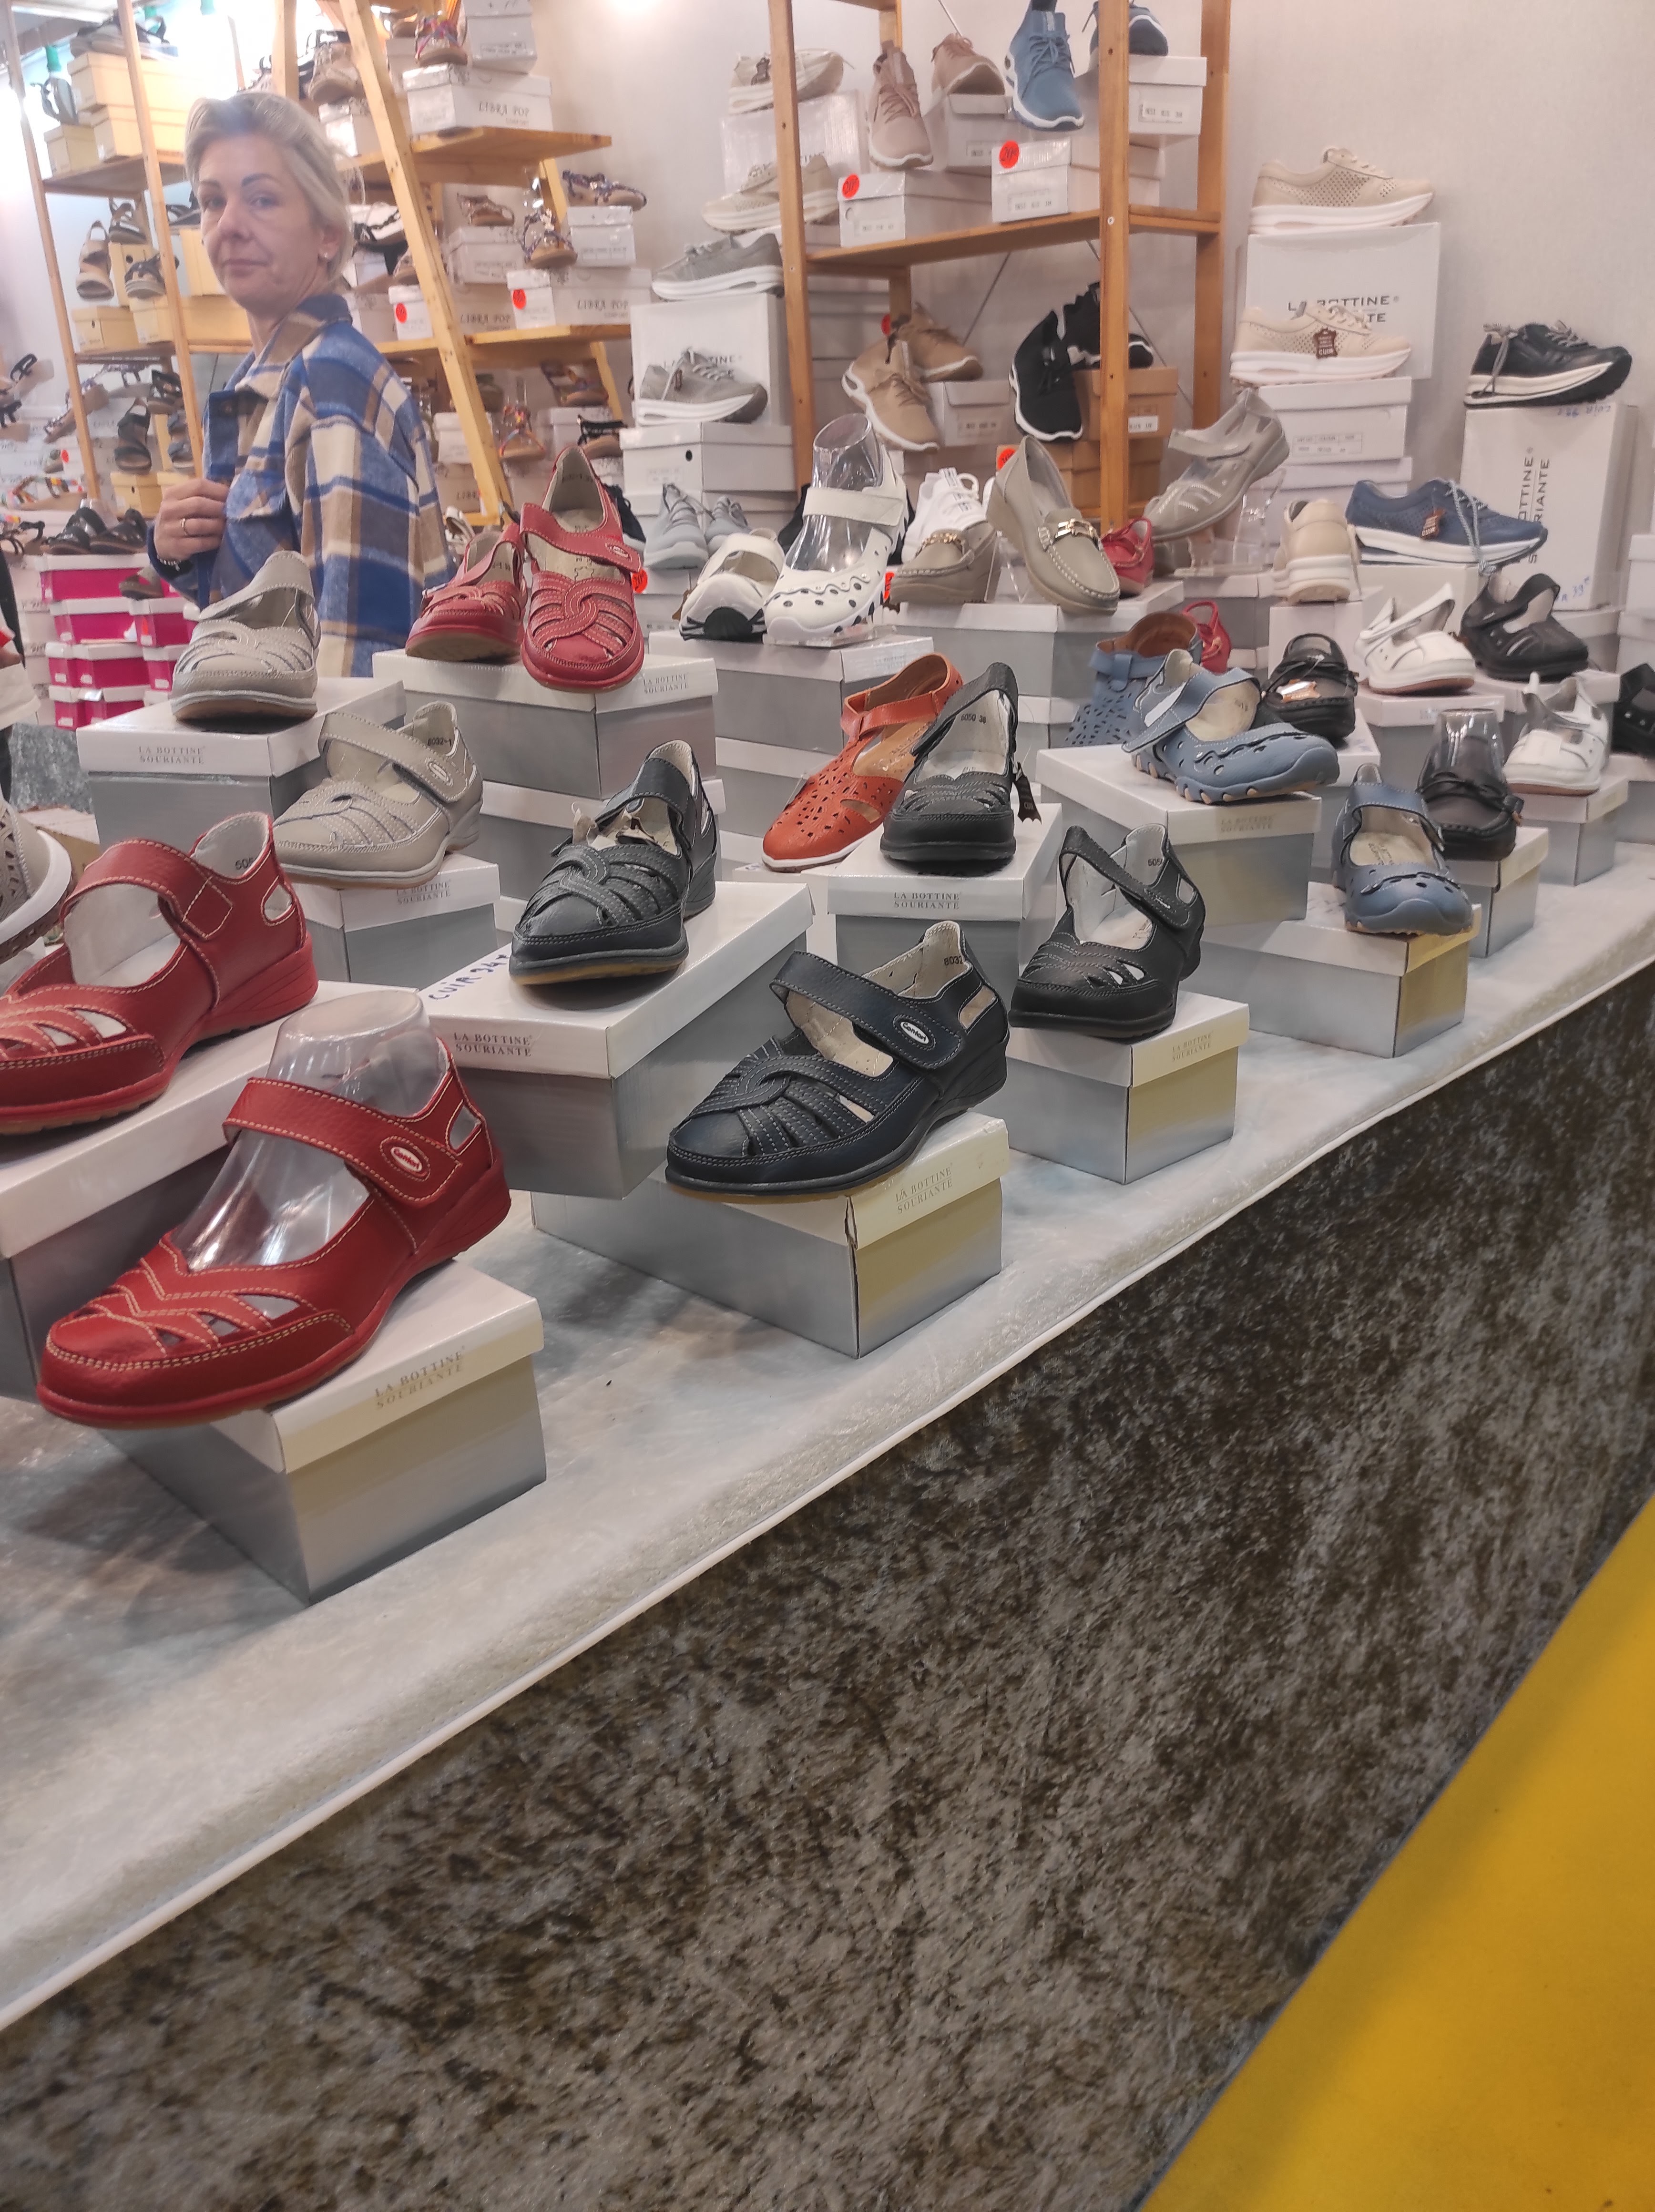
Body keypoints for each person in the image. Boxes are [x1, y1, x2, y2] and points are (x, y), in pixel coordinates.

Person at [148, 91, 450, 675]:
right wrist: (177, 550)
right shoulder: (265, 384)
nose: (228, 225)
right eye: (212, 201)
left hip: (323, 735)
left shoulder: (330, 384)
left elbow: (361, 658)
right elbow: (272, 614)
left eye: (261, 199)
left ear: (327, 235)